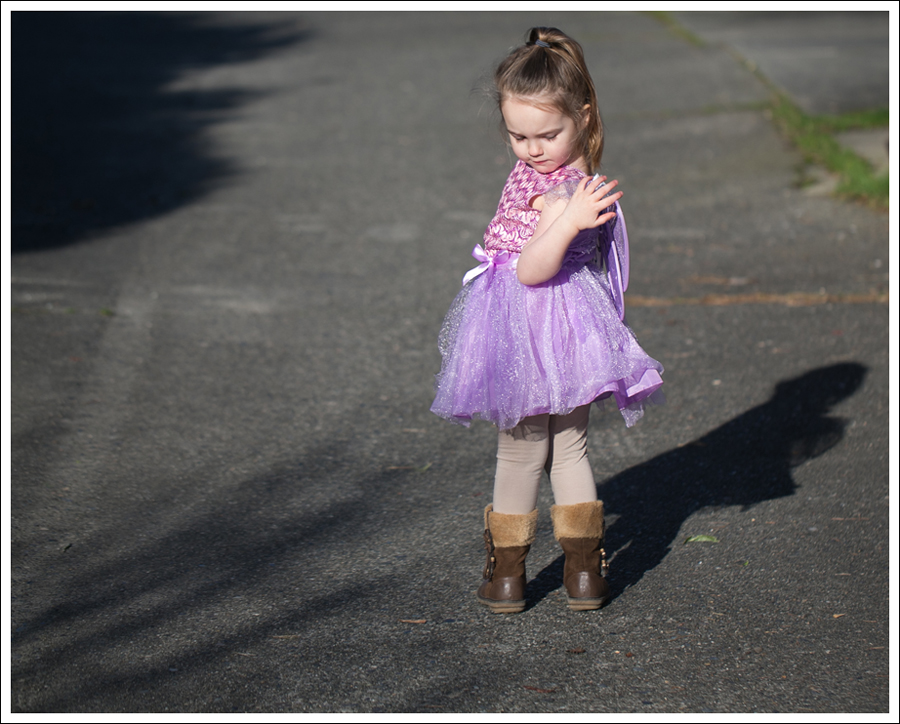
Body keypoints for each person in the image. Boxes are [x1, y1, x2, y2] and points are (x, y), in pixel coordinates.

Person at [431, 27, 664, 613]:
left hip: (526, 324)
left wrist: (565, 221)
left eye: (546, 134)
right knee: (570, 449)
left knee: (521, 452)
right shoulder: (578, 174)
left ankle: (507, 578)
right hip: (570, 325)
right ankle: (584, 576)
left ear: (582, 116)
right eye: (518, 136)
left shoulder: (558, 194)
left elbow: (533, 270)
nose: (532, 150)